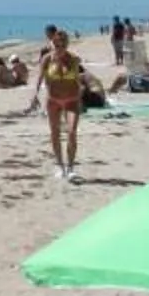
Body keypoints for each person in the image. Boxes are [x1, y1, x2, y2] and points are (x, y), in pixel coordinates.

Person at [27, 26, 90, 181]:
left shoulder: (74, 59)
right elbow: (39, 79)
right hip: (53, 100)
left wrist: (82, 98)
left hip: (72, 100)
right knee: (55, 133)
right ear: (52, 43)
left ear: (66, 45)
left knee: (72, 132)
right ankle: (61, 167)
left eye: (63, 45)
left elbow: (78, 80)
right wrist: (34, 95)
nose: (59, 48)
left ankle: (71, 168)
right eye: (57, 45)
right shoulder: (47, 59)